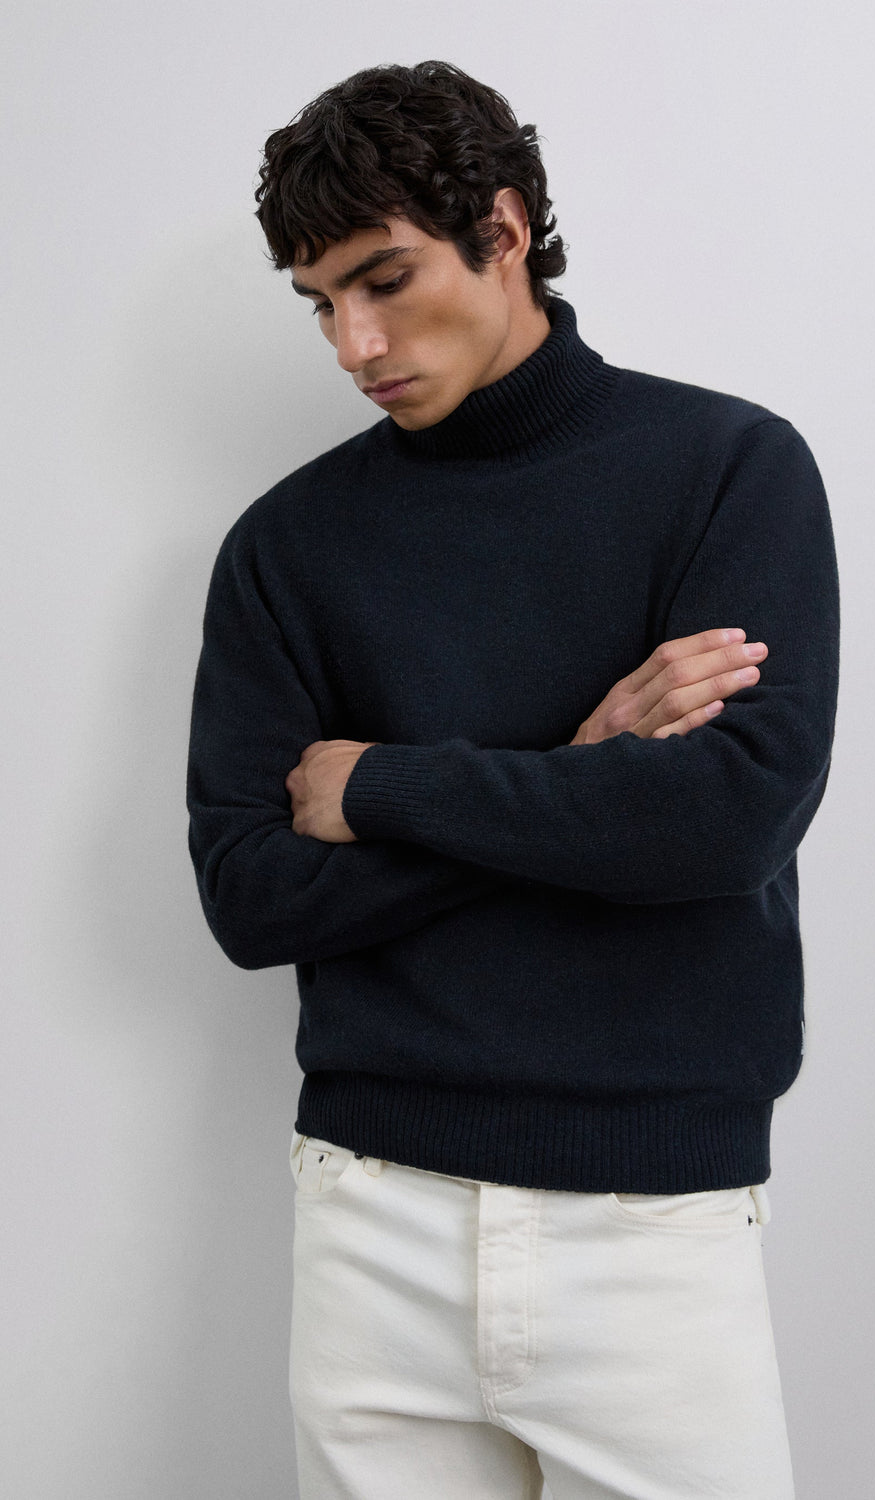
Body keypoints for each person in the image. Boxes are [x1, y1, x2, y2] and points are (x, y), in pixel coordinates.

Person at [186, 58, 839, 1500]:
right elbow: (251, 896)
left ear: (502, 227)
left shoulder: (728, 469)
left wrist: (379, 789)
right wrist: (581, 778)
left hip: (652, 1217)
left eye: (385, 280)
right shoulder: (287, 545)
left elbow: (723, 822)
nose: (354, 344)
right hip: (371, 1211)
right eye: (319, 304)